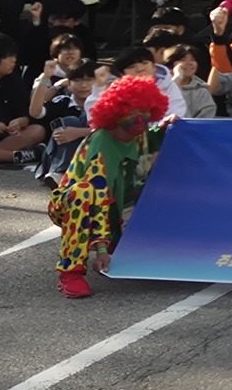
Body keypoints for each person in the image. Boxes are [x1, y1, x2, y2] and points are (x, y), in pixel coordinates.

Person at [51, 73, 167, 299]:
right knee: (83, 193)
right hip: (75, 204)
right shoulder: (102, 143)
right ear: (115, 112)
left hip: (119, 204)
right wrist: (101, 249)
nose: (139, 119)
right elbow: (99, 199)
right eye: (131, 112)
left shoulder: (139, 135)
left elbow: (156, 135)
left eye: (144, 111)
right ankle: (70, 271)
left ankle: (128, 245)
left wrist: (168, 125)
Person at [0, 32, 46, 164]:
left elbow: (26, 112)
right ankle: (14, 156)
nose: (14, 60)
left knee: (37, 130)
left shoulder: (13, 80)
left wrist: (21, 121)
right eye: (8, 57)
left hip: (7, 138)